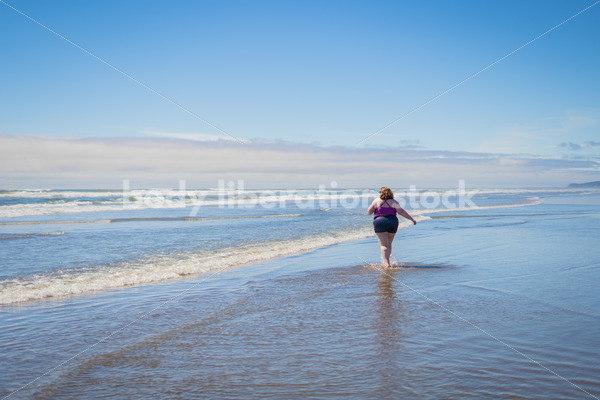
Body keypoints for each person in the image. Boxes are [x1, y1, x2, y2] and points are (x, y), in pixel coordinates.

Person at [367, 187, 417, 268]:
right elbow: (401, 212)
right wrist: (411, 219)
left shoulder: (376, 201)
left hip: (379, 221)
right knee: (389, 244)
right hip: (392, 221)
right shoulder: (394, 202)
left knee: (383, 245)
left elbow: (369, 212)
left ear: (381, 193)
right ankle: (388, 262)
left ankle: (387, 264)